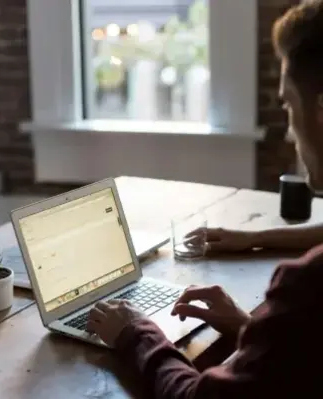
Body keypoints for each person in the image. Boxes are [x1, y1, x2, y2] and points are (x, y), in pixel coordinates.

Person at [87, 1, 323, 398]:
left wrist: (137, 332)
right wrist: (254, 328)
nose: (289, 133)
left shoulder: (307, 287)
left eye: (288, 105)